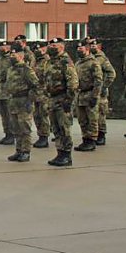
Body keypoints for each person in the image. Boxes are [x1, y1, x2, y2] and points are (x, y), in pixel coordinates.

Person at [43, 38, 78, 167]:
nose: (51, 47)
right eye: (50, 45)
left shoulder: (65, 62)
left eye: (54, 45)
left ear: (61, 47)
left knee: (64, 128)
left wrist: (69, 100)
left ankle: (67, 155)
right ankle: (60, 152)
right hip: (52, 99)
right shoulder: (50, 62)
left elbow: (72, 83)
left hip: (63, 98)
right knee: (56, 128)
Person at [6, 43, 40, 162]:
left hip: (24, 101)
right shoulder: (11, 69)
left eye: (14, 54)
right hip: (14, 101)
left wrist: (30, 99)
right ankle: (18, 150)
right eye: (11, 54)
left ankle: (26, 151)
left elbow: (36, 86)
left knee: (24, 128)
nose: (11, 56)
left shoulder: (26, 70)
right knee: (16, 128)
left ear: (20, 56)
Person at [74, 39, 103, 152]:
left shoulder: (94, 63)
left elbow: (98, 80)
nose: (78, 50)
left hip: (90, 93)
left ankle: (91, 140)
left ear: (87, 49)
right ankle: (85, 139)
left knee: (92, 119)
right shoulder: (78, 63)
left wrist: (95, 96)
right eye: (77, 48)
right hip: (80, 94)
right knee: (82, 119)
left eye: (81, 48)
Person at [88, 38, 116, 145]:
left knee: (101, 113)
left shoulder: (102, 59)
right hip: (91, 90)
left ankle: (101, 134)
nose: (93, 47)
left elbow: (111, 73)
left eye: (95, 45)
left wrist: (104, 86)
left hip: (100, 91)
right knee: (92, 114)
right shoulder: (88, 58)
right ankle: (92, 134)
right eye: (91, 45)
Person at [0, 41, 15, 146]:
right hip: (1, 91)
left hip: (8, 90)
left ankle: (11, 135)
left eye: (4, 47)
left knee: (9, 114)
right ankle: (7, 133)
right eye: (0, 47)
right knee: (4, 115)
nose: (2, 49)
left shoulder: (11, 59)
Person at [31, 42, 50, 148]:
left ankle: (44, 137)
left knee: (43, 115)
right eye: (36, 49)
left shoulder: (47, 61)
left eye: (40, 49)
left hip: (44, 92)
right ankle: (40, 135)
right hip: (35, 93)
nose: (38, 51)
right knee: (37, 115)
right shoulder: (34, 61)